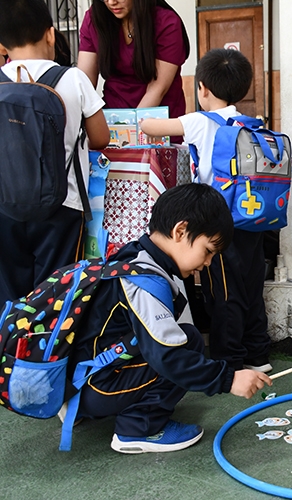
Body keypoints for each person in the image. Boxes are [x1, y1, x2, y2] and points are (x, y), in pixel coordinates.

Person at [70, 183, 273, 453]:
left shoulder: (132, 256)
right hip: (92, 388)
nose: (208, 262)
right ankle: (137, 429)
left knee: (186, 337)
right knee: (185, 347)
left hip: (79, 379)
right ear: (180, 231)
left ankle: (83, 404)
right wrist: (229, 379)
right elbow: (169, 357)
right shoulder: (143, 282)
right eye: (208, 251)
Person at [139, 48, 273, 373]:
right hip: (256, 220)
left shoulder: (200, 121)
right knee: (252, 288)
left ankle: (229, 359)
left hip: (220, 220)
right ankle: (258, 354)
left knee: (224, 292)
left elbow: (149, 127)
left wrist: (141, 111)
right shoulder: (252, 123)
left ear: (202, 89)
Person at [0, 0, 110, 306]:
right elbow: (101, 138)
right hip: (63, 205)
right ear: (51, 35)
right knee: (54, 293)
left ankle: (10, 348)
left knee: (8, 293)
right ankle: (48, 351)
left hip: (4, 206)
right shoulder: (73, 79)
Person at [77, 0, 189, 141]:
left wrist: (130, 134)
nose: (112, 2)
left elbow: (158, 88)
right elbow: (84, 83)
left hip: (157, 127)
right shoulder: (94, 19)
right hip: (111, 125)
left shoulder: (167, 22)